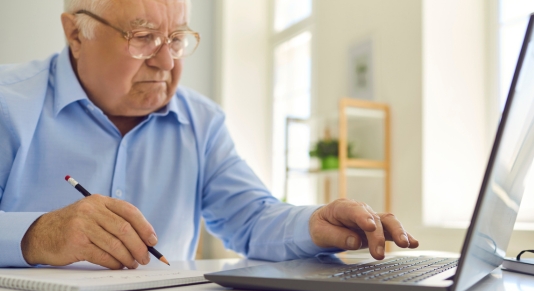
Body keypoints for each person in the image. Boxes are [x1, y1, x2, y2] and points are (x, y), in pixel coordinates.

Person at [0, 0, 418, 269]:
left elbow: (253, 221)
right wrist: (38, 234)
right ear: (76, 34)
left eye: (177, 39)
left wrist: (314, 223)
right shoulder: (8, 103)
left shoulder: (202, 121)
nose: (166, 61)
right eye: (144, 38)